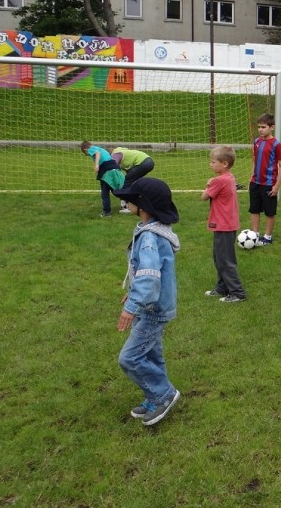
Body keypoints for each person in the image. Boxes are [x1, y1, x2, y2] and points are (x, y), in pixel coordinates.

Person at [115, 177, 182, 427]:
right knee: (151, 355)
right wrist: (132, 292)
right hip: (151, 305)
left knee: (129, 358)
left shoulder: (150, 238)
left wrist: (131, 307)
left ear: (143, 205)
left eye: (131, 199)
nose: (127, 202)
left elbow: (150, 277)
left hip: (151, 309)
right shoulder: (151, 231)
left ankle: (164, 394)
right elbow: (145, 275)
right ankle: (154, 396)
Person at [202, 145, 249, 303]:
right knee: (219, 257)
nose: (210, 164)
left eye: (213, 161)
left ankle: (237, 293)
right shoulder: (229, 177)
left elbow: (204, 197)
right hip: (227, 224)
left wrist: (208, 184)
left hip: (223, 225)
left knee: (225, 260)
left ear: (224, 164)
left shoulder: (218, 181)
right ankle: (222, 287)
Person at [249, 113, 281, 246]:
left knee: (269, 212)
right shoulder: (256, 141)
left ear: (271, 127)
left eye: (263, 127)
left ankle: (268, 237)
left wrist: (276, 186)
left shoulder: (276, 145)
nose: (260, 129)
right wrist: (251, 176)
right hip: (255, 182)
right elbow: (254, 159)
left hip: (269, 184)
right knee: (254, 209)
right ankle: (255, 235)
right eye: (258, 127)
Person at [80, 141, 124, 218]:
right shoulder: (101, 149)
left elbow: (97, 153)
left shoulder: (91, 149)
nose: (86, 154)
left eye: (85, 153)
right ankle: (130, 204)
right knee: (116, 190)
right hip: (115, 169)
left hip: (106, 171)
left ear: (85, 149)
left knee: (105, 193)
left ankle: (106, 212)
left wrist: (96, 165)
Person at [111, 147, 155, 213]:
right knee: (137, 183)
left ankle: (125, 207)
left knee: (126, 183)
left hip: (143, 162)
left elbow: (113, 166)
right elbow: (129, 171)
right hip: (149, 161)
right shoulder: (123, 152)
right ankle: (147, 202)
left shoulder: (115, 154)